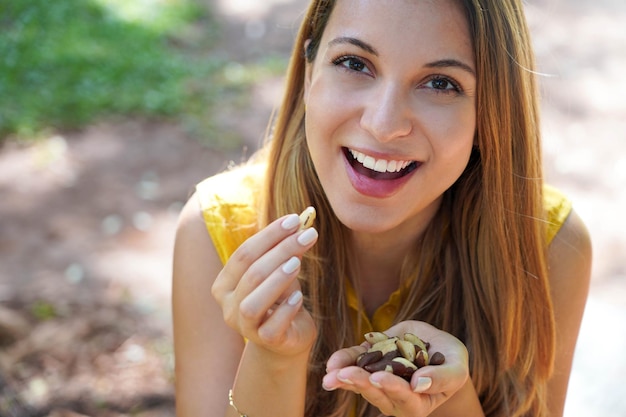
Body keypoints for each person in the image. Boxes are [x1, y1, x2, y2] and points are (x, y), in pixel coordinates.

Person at [172, 0, 592, 416]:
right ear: (308, 72)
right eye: (355, 63)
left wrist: (445, 402)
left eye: (441, 83)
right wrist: (273, 360)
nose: (384, 123)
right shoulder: (219, 229)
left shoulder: (548, 245)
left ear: (489, 114)